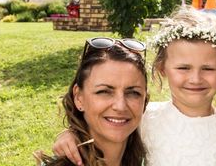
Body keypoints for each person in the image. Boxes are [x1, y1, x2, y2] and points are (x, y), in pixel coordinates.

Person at [53, 8, 216, 166]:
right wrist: (71, 135)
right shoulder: (146, 119)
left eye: (208, 68)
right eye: (183, 68)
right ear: (162, 67)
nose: (195, 78)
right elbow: (101, 127)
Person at [35, 37, 149, 166]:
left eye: (133, 93)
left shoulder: (152, 157)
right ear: (78, 97)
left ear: (145, 101)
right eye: (104, 92)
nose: (120, 106)